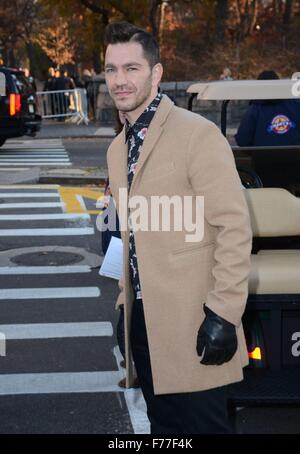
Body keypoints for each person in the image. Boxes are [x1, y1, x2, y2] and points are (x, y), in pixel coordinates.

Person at [104, 21, 252, 434]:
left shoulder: (196, 134)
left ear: (156, 74)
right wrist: (123, 306)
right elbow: (128, 237)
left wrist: (223, 312)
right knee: (164, 432)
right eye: (111, 69)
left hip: (194, 323)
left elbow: (234, 228)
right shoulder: (118, 149)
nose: (120, 80)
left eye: (131, 68)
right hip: (143, 327)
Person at [235, 70, 300, 147]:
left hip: (263, 157)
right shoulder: (296, 105)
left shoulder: (253, 110)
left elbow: (242, 140)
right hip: (295, 157)